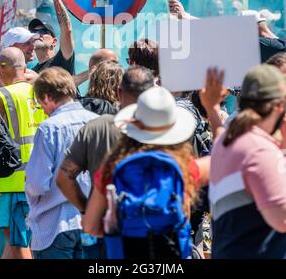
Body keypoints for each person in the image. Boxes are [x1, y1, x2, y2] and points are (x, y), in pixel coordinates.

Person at [82, 86, 210, 259]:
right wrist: (214, 110)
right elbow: (221, 160)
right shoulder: (181, 168)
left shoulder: (112, 168)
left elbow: (90, 226)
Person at [56, 66, 155, 259]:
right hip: (156, 227)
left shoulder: (97, 128)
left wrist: (86, 208)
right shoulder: (168, 127)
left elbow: (63, 177)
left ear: (119, 92)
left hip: (104, 228)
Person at [202, 65, 286, 258]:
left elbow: (218, 133)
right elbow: (281, 220)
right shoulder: (260, 150)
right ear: (280, 106)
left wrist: (212, 108)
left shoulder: (227, 140)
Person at [25, 67, 97, 260]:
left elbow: (37, 183)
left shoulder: (50, 128)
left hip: (54, 225)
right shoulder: (96, 122)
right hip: (92, 222)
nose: (41, 107)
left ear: (47, 97)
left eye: (39, 102)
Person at [0, 47, 45, 259]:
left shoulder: (1, 96)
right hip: (41, 179)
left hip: (11, 181)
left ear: (2, 68)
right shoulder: (42, 90)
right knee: (17, 245)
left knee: (18, 244)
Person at [28, 0, 75, 75]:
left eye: (43, 31)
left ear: (54, 42)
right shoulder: (32, 74)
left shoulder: (62, 59)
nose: (38, 34)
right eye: (34, 32)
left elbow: (66, 29)